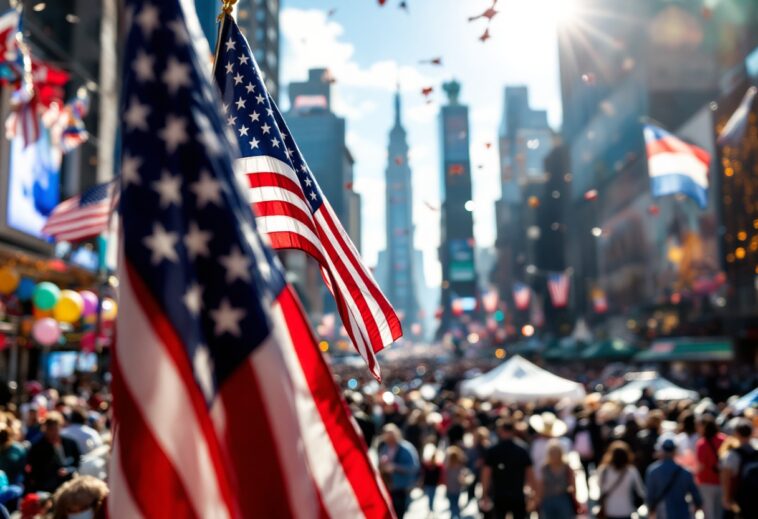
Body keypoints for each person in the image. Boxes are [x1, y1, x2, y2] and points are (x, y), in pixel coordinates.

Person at [481, 417, 536, 519]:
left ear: (500, 430)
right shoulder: (522, 449)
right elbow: (530, 473)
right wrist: (532, 493)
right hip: (517, 495)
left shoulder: (493, 450)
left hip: (499, 495)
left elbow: (486, 474)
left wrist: (484, 493)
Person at [645, 438, 702, 519]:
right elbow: (696, 495)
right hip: (683, 513)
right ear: (675, 451)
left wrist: (650, 509)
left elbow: (649, 495)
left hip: (662, 513)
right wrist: (697, 506)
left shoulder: (653, 471)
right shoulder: (686, 472)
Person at [26, 413, 81, 493]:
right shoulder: (37, 447)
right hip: (46, 488)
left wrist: (68, 470)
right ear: (45, 429)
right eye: (50, 429)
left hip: (68, 486)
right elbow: (33, 469)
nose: (53, 433)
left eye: (56, 429)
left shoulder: (70, 443)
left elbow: (77, 462)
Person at [377, 423, 419, 518]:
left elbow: (413, 467)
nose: (389, 439)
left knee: (399, 513)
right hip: (388, 486)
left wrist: (395, 467)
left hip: (401, 487)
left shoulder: (406, 449)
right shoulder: (384, 448)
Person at [720, 418, 758, 518]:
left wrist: (726, 498)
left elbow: (726, 477)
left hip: (741, 498)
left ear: (736, 434)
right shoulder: (756, 449)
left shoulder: (733, 455)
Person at [597, 441, 645, 519]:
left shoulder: (603, 471)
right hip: (627, 510)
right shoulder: (632, 471)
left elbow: (600, 488)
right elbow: (640, 492)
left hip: (609, 510)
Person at [536, 440, 576, 519]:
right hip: (547, 499)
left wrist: (574, 499)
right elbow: (541, 485)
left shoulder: (566, 467)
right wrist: (538, 500)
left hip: (563, 499)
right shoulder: (544, 468)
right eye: (552, 453)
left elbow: (573, 484)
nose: (554, 455)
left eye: (556, 453)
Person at [694, 415, 724, 519]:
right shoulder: (724, 439)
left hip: (706, 482)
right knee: (720, 512)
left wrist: (694, 478)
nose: (697, 428)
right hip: (723, 482)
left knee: (709, 513)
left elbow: (700, 466)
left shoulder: (701, 444)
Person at [443, 446, 471, 519]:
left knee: (453, 504)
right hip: (456, 489)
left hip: (451, 489)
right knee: (455, 504)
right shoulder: (459, 467)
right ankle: (456, 515)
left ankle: (454, 516)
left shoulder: (448, 467)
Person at [420, 440, 442, 514]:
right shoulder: (425, 466)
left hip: (433, 484)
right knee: (429, 496)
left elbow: (440, 475)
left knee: (432, 496)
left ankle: (431, 508)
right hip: (428, 483)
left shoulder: (438, 466)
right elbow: (423, 475)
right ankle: (430, 508)